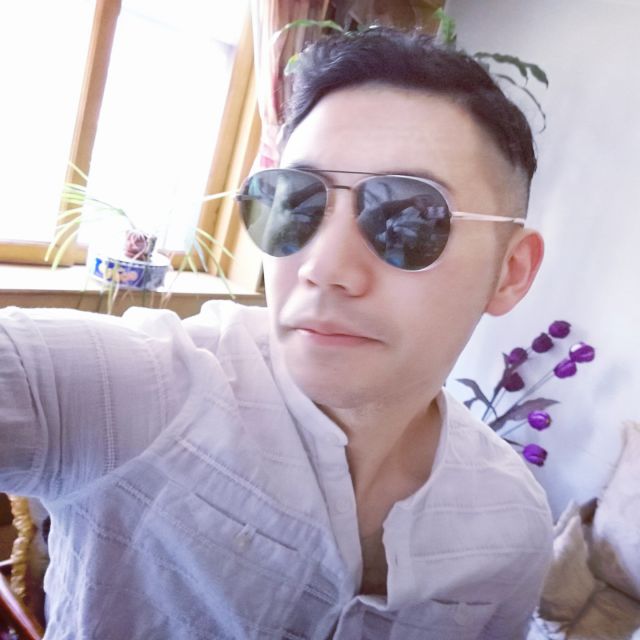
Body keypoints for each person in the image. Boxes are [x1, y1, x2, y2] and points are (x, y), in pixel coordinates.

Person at [0, 27, 552, 639]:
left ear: (511, 271)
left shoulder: (513, 526)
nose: (323, 267)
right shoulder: (139, 393)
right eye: (296, 203)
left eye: (407, 218)